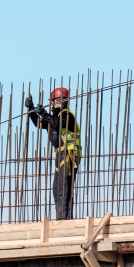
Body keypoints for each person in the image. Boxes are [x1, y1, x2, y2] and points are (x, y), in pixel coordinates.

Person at [26, 87, 82, 220]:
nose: (56, 102)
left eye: (58, 100)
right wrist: (32, 110)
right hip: (60, 154)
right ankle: (61, 216)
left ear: (64, 101)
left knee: (64, 186)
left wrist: (43, 112)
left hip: (69, 154)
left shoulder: (68, 115)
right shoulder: (52, 117)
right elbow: (39, 123)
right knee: (57, 188)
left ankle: (64, 218)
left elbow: (57, 123)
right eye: (55, 100)